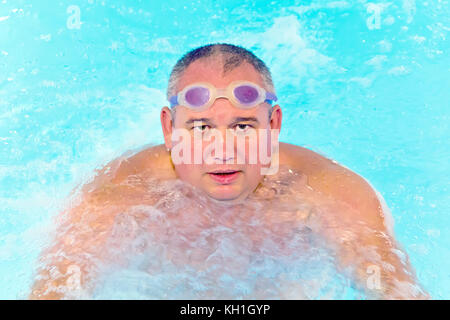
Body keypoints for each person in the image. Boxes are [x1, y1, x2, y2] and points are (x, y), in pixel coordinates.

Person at [30, 43, 427, 299]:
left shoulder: (330, 191)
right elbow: (54, 290)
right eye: (202, 128)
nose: (224, 150)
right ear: (170, 129)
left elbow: (395, 288)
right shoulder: (119, 196)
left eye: (243, 126)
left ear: (273, 126)